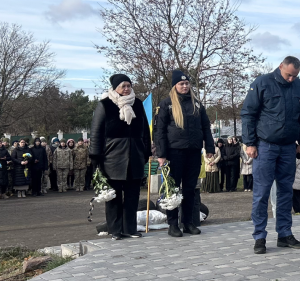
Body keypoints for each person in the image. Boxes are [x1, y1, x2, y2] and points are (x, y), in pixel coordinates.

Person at [241, 56, 300, 254]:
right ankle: (260, 236)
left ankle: (284, 233)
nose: (291, 79)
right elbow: (248, 114)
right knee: (261, 193)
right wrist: (250, 143)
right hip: (265, 147)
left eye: (295, 76)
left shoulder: (299, 86)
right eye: (289, 75)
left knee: (286, 192)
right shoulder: (262, 83)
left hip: (289, 148)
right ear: (280, 66)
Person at [153, 69, 216, 237]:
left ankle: (188, 222)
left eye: (187, 83)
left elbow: (205, 127)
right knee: (172, 189)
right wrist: (161, 154)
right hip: (174, 153)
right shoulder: (167, 104)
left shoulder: (197, 104)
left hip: (193, 152)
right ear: (175, 86)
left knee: (189, 189)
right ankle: (173, 224)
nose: (185, 86)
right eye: (181, 83)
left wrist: (210, 148)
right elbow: (159, 131)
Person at [89, 73, 151, 240]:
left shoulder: (137, 104)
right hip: (112, 158)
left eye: (128, 86)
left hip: (135, 157)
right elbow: (96, 132)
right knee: (114, 197)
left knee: (132, 196)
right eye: (123, 86)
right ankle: (115, 229)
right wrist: (95, 156)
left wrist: (146, 151)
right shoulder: (105, 105)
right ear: (115, 88)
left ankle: (129, 228)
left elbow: (145, 129)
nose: (126, 89)